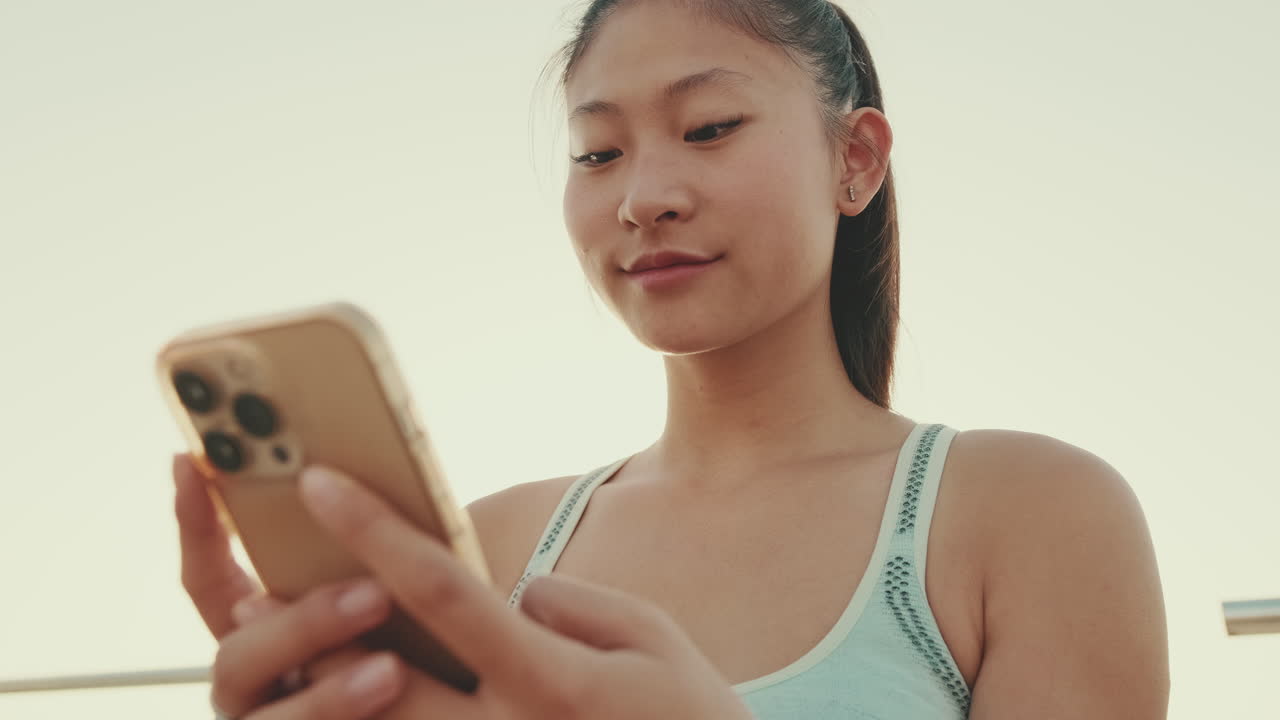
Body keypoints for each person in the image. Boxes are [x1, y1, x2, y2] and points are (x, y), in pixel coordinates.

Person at [174, 1, 1170, 718]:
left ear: (855, 158)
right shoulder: (487, 552)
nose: (641, 195)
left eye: (707, 128)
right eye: (597, 153)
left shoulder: (1029, 514)